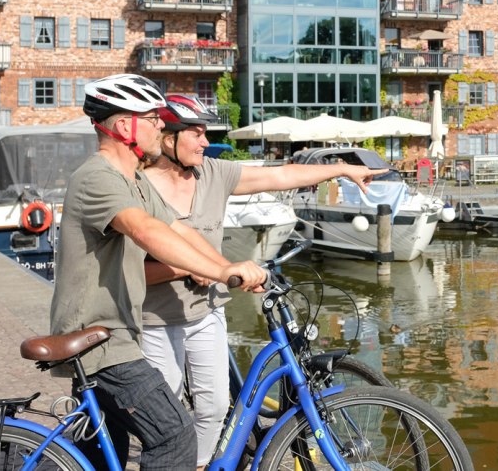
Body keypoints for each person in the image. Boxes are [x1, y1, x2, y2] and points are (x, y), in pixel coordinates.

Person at [140, 95, 387, 470]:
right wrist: (185, 268)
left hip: (206, 311)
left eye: (205, 132)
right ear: (168, 137)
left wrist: (342, 169)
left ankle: (199, 464)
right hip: (154, 318)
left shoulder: (212, 173)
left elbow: (281, 174)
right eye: (196, 132)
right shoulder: (139, 188)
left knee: (215, 405)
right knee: (167, 413)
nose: (205, 142)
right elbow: (128, 272)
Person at [49, 74, 267, 471]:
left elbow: (175, 228)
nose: (161, 126)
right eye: (151, 118)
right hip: (101, 341)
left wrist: (224, 267)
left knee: (104, 453)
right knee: (175, 435)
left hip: (114, 333)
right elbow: (147, 232)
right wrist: (222, 274)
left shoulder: (132, 180)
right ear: (123, 126)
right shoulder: (98, 178)